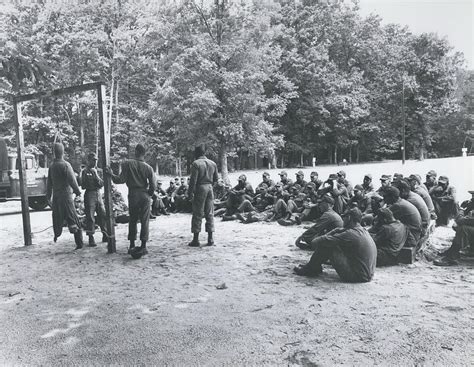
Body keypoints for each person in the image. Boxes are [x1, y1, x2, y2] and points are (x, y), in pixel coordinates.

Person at [293, 208, 377, 283]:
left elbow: (315, 242)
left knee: (328, 244)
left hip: (357, 277)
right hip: (367, 274)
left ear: (349, 218)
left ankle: (311, 269)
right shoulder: (363, 231)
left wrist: (334, 231)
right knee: (332, 242)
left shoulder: (349, 234)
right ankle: (314, 267)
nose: (342, 219)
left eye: (344, 217)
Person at [106, 144, 156, 256]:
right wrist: (149, 194)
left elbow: (120, 180)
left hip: (133, 194)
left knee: (133, 220)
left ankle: (132, 244)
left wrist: (111, 174)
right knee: (145, 221)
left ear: (136, 152)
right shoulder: (148, 168)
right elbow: (153, 185)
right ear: (144, 154)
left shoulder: (127, 163)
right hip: (144, 194)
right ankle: (143, 246)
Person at [46, 143, 83, 249]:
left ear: (54, 152)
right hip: (66, 196)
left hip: (57, 197)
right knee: (73, 218)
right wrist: (78, 191)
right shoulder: (66, 165)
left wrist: (48, 197)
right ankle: (79, 243)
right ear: (63, 152)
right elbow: (72, 180)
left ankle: (56, 234)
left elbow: (49, 184)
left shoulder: (52, 166)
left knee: (57, 217)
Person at [187, 145, 219, 247]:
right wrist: (210, 186)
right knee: (210, 213)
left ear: (197, 153)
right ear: (204, 153)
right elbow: (216, 179)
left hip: (200, 188)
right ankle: (210, 238)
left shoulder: (196, 163)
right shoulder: (212, 163)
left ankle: (196, 239)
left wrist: (190, 193)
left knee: (198, 213)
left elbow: (193, 181)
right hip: (209, 188)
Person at [80, 152, 107, 247]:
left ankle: (105, 233)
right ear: (88, 160)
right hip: (90, 194)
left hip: (98, 193)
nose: (95, 162)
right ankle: (91, 237)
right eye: (93, 160)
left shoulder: (97, 171)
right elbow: (82, 185)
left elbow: (102, 183)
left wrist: (97, 178)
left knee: (102, 214)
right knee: (90, 217)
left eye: (96, 160)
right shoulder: (84, 171)